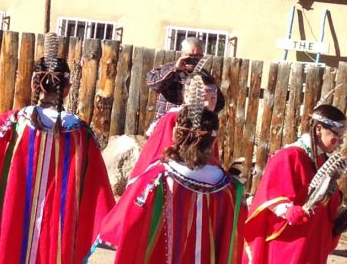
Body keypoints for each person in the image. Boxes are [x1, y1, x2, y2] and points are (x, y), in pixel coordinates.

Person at [0, 33, 115, 264]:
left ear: (35, 84)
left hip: (14, 222)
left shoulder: (12, 125)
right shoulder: (80, 135)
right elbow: (97, 189)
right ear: (66, 89)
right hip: (59, 231)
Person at [95, 75, 244, 264]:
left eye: (213, 98)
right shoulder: (230, 188)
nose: (209, 102)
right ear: (213, 140)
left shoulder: (156, 180)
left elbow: (133, 227)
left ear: (178, 133)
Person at [244, 105, 347, 264]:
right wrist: (287, 210)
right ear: (318, 129)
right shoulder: (289, 156)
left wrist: (335, 223)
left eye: (343, 136)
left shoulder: (322, 160)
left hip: (314, 240)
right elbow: (270, 193)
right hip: (290, 241)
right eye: (337, 135)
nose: (340, 141)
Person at [127, 72, 222, 182]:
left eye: (213, 98)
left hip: (202, 178)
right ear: (187, 96)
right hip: (171, 178)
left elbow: (211, 156)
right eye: (202, 98)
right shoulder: (172, 119)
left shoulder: (210, 123)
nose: (207, 104)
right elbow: (159, 152)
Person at [146, 37, 215, 117]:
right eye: (190, 56)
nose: (194, 60)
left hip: (191, 124)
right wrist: (175, 69)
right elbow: (153, 84)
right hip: (167, 122)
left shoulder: (205, 76)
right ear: (182, 55)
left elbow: (217, 100)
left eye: (198, 56)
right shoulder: (168, 69)